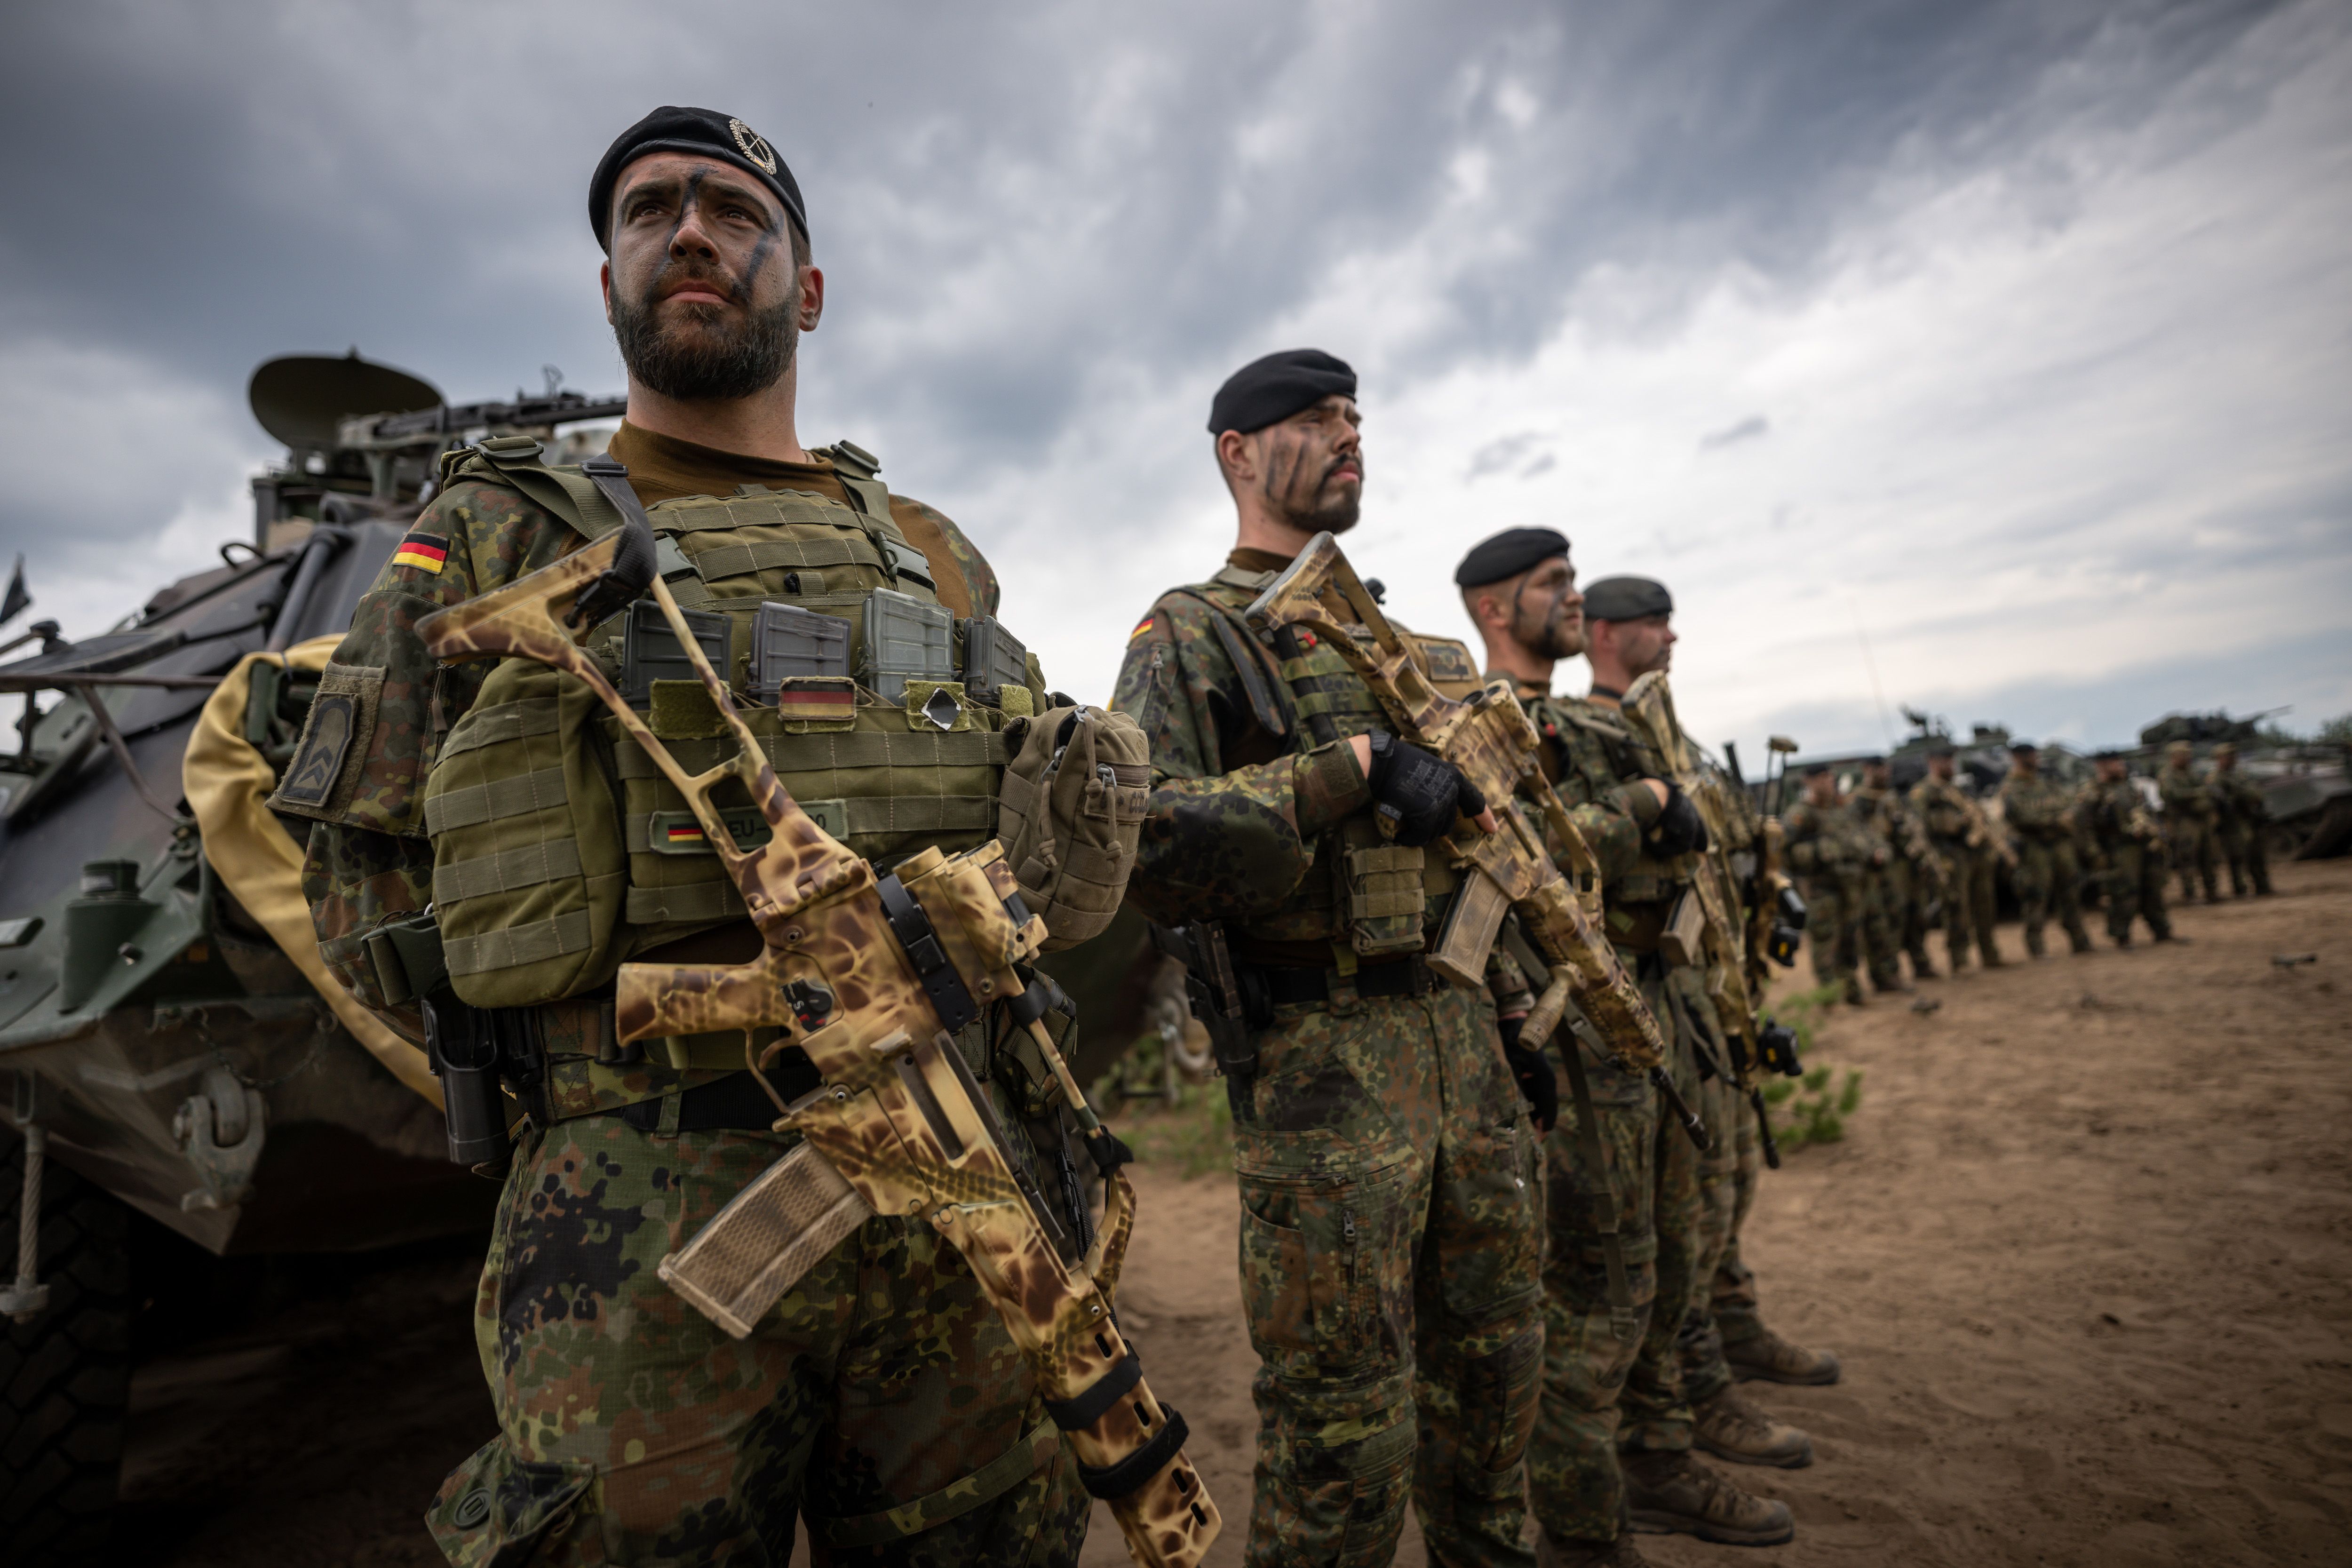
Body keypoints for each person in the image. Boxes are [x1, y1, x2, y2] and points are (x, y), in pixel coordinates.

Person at [278, 108, 1092, 1566]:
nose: (692, 232)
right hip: (637, 1209)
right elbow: (360, 860)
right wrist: (542, 1049)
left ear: (808, 287)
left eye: (734, 210)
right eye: (649, 210)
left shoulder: (932, 550)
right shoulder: (492, 533)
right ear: (609, 281)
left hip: (956, 1165)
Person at [1112, 350, 1546, 1568]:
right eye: (1314, 417)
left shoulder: (1406, 651)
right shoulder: (1194, 633)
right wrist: (1340, 771)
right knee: (1344, 1425)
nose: (1349, 433)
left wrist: (1518, 1019)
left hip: (1468, 1048)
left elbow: (1483, 868)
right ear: (1236, 453)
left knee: (1498, 1375)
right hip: (1325, 1074)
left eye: (1356, 415)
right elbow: (1138, 840)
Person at [1458, 542, 1801, 1562]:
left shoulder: (1582, 720)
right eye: (1554, 584)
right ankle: (1581, 1520)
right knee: (1599, 1283)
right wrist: (1647, 808)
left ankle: (1656, 1455)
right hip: (1569, 1028)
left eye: (1575, 583)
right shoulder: (1488, 721)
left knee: (1663, 1257)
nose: (1573, 598)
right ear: (1493, 604)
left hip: (1651, 1005)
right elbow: (1528, 850)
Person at [1908, 746, 2007, 971]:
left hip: (1974, 855)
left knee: (1985, 905)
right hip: (1949, 857)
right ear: (1932, 762)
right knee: (1956, 909)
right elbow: (1919, 830)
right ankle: (1959, 959)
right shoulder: (1923, 793)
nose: (1949, 765)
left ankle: (1989, 953)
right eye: (1944, 760)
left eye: (1951, 760)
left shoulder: (1959, 789)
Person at [1783, 766, 1875, 1005]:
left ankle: (1852, 991)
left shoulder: (1840, 809)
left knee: (1849, 938)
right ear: (1809, 781)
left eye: (1830, 777)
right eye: (1821, 778)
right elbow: (1785, 854)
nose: (1828, 782)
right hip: (1820, 888)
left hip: (1849, 885)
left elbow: (1859, 837)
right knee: (1825, 939)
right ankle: (1829, 997)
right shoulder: (1800, 814)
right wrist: (1819, 852)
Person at [1851, 757, 1942, 989]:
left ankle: (1920, 962)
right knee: (1890, 920)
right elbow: (1858, 833)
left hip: (1907, 864)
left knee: (1917, 914)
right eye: (1878, 768)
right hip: (1883, 869)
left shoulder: (1895, 797)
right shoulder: (1860, 801)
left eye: (1885, 768)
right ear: (1867, 770)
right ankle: (1887, 973)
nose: (1884, 773)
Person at [1997, 742, 2093, 958]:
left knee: (2071, 891)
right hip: (2035, 848)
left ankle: (2080, 941)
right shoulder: (2011, 788)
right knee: (2036, 896)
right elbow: (2024, 818)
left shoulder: (2046, 783)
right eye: (2030, 755)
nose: (2036, 759)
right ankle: (2037, 947)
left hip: (2060, 845)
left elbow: (2066, 805)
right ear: (2017, 758)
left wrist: (2061, 819)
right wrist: (2058, 821)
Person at [2077, 752, 2175, 947]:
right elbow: (2084, 826)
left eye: (2120, 763)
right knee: (2124, 891)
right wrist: (2094, 852)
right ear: (2102, 767)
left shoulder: (2131, 788)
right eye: (2115, 763)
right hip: (2119, 848)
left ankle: (2162, 930)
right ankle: (2122, 935)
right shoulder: (2095, 792)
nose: (2120, 766)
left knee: (2153, 887)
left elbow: (2148, 812)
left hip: (2144, 845)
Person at [2159, 740, 2222, 904]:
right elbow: (2174, 795)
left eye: (2188, 754)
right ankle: (2190, 893)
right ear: (2174, 757)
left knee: (2208, 856)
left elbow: (2207, 790)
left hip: (2201, 820)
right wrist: (2199, 793)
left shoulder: (2192, 773)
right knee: (2188, 858)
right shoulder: (2168, 775)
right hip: (2183, 822)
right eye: (2184, 755)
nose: (2188, 757)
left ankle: (2211, 891)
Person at [2209, 741, 2274, 896]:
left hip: (2248, 819)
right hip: (2232, 823)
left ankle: (2262, 885)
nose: (2231, 759)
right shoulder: (2216, 779)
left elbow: (2255, 794)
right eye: (2227, 756)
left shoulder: (2239, 775)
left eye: (2233, 756)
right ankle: (2240, 888)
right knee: (2237, 856)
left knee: (2256, 854)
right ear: (2219, 759)